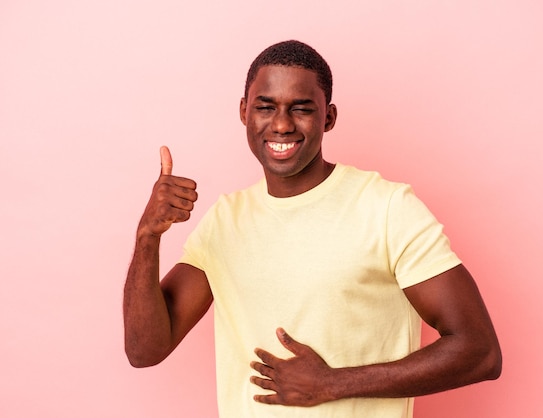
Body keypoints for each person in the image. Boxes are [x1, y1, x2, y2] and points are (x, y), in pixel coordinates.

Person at [123, 40, 502, 417]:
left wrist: (333, 383)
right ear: (244, 112)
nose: (282, 124)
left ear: (329, 117)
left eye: (301, 109)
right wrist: (147, 237)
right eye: (265, 107)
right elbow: (145, 351)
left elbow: (479, 351)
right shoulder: (224, 220)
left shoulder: (386, 208)